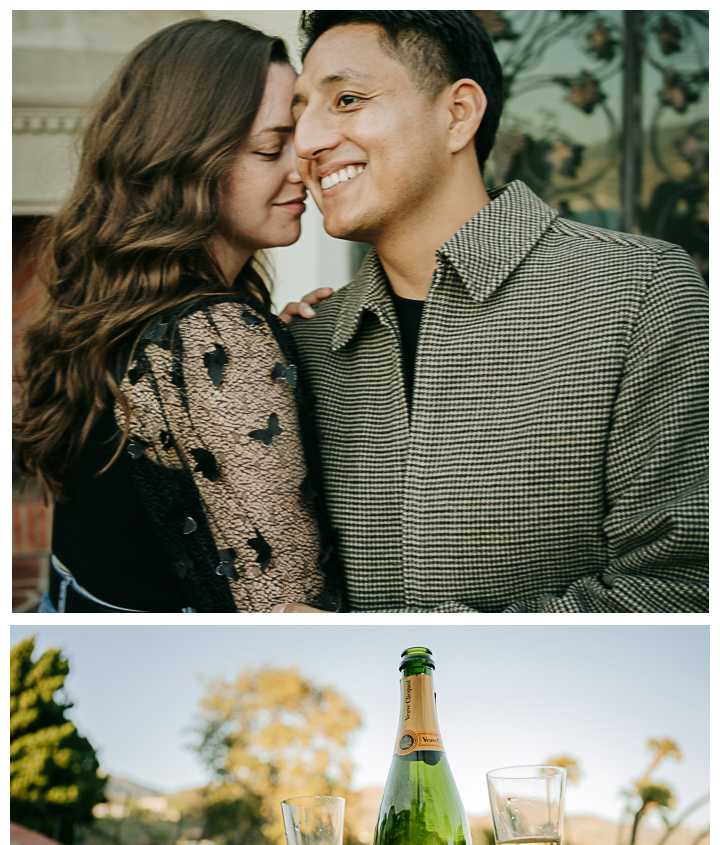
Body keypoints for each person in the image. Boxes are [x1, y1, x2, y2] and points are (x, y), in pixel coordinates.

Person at [284, 9, 708, 614]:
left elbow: (684, 589)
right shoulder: (311, 343)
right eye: (299, 113)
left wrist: (376, 644)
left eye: (347, 100)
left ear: (458, 114)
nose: (307, 142)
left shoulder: (639, 290)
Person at [15, 19, 343, 613]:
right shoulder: (213, 335)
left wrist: (298, 359)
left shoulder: (104, 306)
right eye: (271, 147)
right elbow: (291, 612)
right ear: (185, 159)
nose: (302, 167)